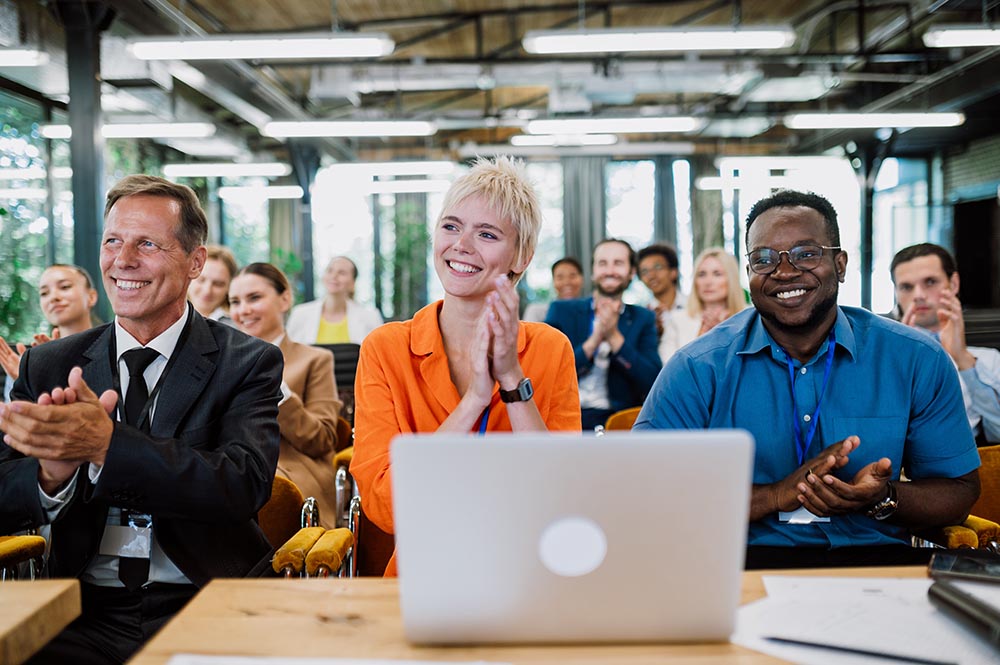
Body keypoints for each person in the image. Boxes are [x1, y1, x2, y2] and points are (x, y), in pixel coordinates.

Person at [0, 174, 282, 665]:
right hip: (77, 607)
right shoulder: (47, 365)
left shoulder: (248, 361)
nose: (122, 261)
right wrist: (51, 475)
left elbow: (242, 485)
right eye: (113, 241)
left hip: (206, 599)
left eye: (147, 244)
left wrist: (107, 447)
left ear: (196, 261)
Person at [634, 189, 980, 569]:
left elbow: (959, 491)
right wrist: (776, 494)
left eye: (806, 254)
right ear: (748, 273)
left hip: (876, 560)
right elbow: (646, 493)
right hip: (737, 564)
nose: (784, 272)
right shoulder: (698, 367)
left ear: (841, 264)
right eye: (763, 259)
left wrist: (882, 497)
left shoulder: (914, 358)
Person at [350, 156, 582, 577]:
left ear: (522, 257)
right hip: (424, 572)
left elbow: (559, 500)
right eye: (451, 226)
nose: (461, 245)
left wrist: (511, 379)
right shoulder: (386, 348)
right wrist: (473, 400)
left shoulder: (550, 349)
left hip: (530, 570)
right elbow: (385, 506)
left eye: (487, 234)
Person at [229, 262, 342, 527]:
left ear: (285, 299)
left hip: (293, 472)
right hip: (231, 469)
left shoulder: (315, 360)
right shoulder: (223, 363)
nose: (243, 310)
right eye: (235, 302)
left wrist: (276, 386)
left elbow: (322, 440)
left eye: (254, 298)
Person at [890, 243, 1000, 445]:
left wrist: (963, 360)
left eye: (930, 282)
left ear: (954, 283)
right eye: (906, 287)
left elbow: (998, 434)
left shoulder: (988, 360)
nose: (918, 295)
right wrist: (904, 361)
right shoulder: (880, 355)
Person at [546, 238, 661, 430]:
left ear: (631, 272)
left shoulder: (643, 318)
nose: (609, 270)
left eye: (618, 263)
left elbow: (652, 382)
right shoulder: (561, 311)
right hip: (564, 417)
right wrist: (593, 341)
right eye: (602, 263)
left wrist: (615, 338)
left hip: (618, 421)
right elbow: (548, 373)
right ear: (593, 272)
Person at [1, 264, 100, 401]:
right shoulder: (30, 361)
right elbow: (13, 419)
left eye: (65, 287)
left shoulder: (115, 346)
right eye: (44, 293)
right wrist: (26, 383)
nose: (53, 297)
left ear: (91, 297)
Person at [665, 247, 747, 360]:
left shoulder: (750, 318)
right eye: (702, 274)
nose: (708, 282)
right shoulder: (676, 320)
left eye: (717, 274)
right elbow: (669, 370)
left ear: (731, 278)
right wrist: (701, 340)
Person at [286, 255, 383, 344]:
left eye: (342, 273)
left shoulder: (371, 317)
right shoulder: (300, 314)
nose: (334, 276)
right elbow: (289, 355)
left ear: (353, 283)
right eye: (330, 270)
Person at [637, 243, 685, 357]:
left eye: (658, 267)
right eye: (644, 271)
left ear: (673, 272)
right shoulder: (643, 316)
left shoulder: (695, 307)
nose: (651, 275)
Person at [522, 256, 585, 322]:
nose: (567, 282)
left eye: (572, 276)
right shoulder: (537, 312)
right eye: (560, 278)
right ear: (553, 282)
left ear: (582, 279)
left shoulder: (592, 311)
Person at [187, 244, 238, 325]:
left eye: (218, 284)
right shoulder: (165, 318)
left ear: (230, 287)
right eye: (201, 280)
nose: (207, 290)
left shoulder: (238, 326)